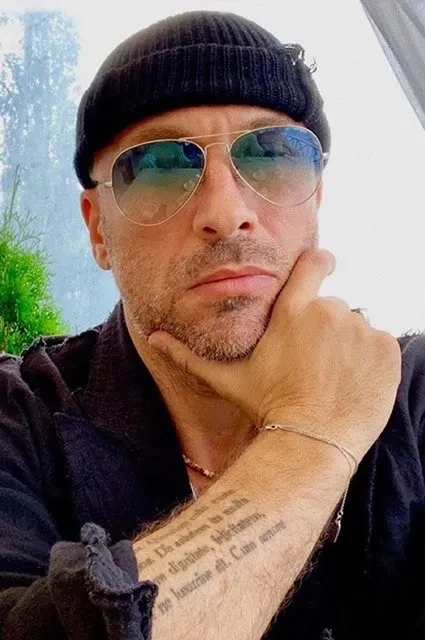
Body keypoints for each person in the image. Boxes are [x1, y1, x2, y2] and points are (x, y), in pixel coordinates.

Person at [0, 9, 423, 640]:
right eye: (160, 165)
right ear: (98, 229)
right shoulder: (19, 421)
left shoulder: (414, 396)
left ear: (317, 199)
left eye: (271, 154)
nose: (226, 213)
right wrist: (309, 440)